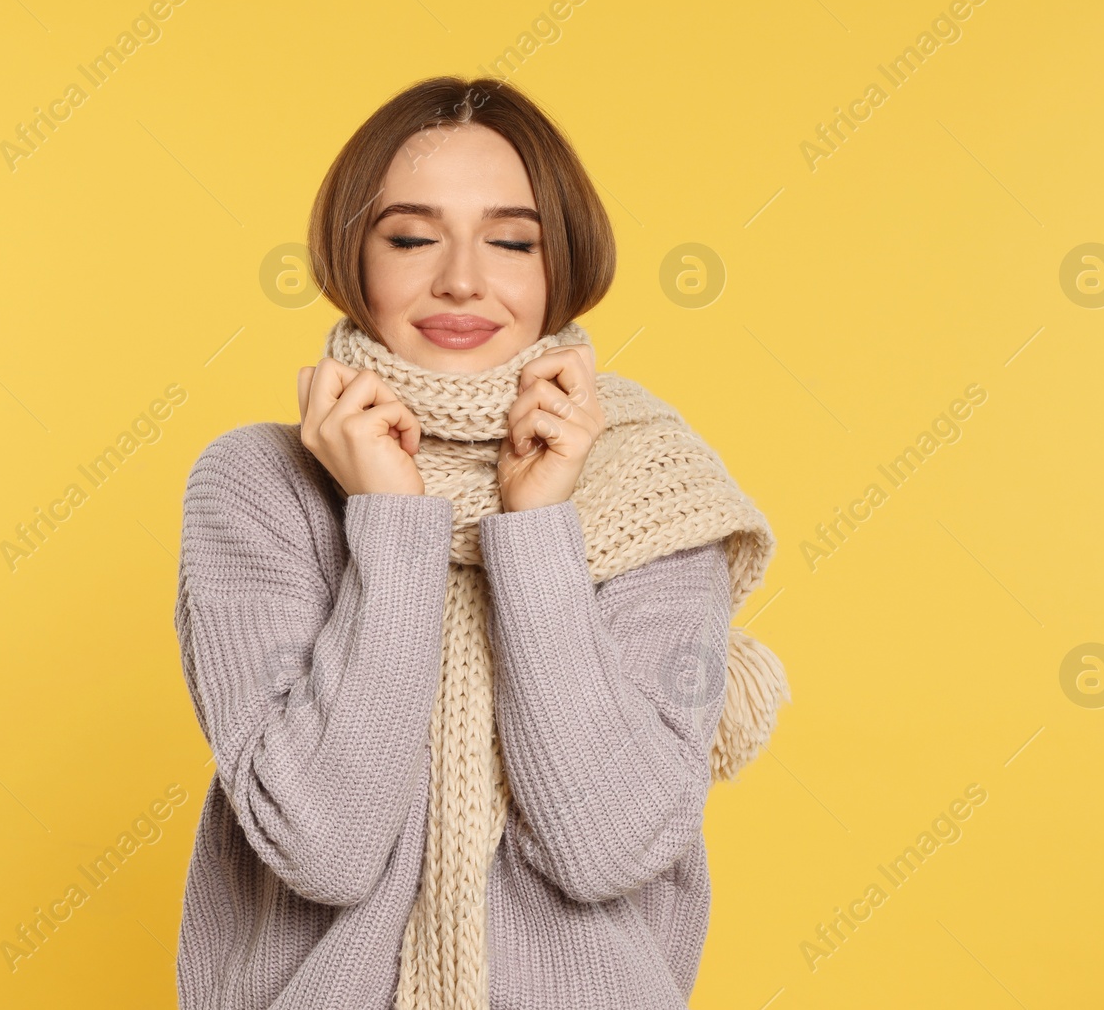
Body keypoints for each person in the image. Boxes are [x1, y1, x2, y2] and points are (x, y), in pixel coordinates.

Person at [173, 75, 787, 1010]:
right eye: (411, 237)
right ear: (354, 257)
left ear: (560, 265)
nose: (461, 277)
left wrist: (536, 528)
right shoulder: (260, 486)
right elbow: (324, 844)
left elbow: (609, 844)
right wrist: (391, 518)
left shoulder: (653, 486)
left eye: (510, 240)